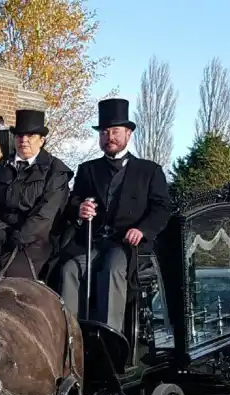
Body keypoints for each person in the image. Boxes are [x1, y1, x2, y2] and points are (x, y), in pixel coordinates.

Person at [59, 98, 171, 331]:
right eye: (104, 132)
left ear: (128, 134)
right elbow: (73, 201)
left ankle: (109, 342)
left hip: (127, 246)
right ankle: (69, 337)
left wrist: (142, 230)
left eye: (115, 131)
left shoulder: (149, 171)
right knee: (69, 269)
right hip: (93, 243)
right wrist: (80, 209)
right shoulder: (88, 169)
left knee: (111, 270)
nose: (109, 137)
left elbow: (162, 208)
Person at [0, 109, 73, 281]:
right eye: (20, 136)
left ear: (41, 140)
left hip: (34, 245)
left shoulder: (56, 171)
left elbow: (46, 213)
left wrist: (20, 236)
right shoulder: (2, 166)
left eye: (30, 136)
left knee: (9, 285)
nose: (24, 140)